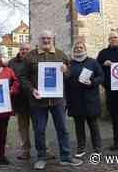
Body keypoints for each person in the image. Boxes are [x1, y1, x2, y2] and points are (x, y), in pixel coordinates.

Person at [25, 30, 83, 170]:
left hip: (57, 100)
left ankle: (66, 157)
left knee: (63, 129)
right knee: (39, 130)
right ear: (39, 39)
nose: (46, 41)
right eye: (43, 38)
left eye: (48, 38)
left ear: (53, 39)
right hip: (38, 101)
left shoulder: (61, 54)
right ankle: (41, 157)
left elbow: (69, 73)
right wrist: (32, 89)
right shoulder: (30, 56)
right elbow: (23, 77)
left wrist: (66, 71)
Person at [8, 43, 55, 160]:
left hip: (36, 99)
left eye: (27, 49)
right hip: (20, 100)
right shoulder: (12, 63)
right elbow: (8, 78)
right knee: (23, 128)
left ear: (31, 50)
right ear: (19, 50)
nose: (25, 51)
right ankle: (25, 151)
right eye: (22, 49)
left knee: (39, 127)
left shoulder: (37, 59)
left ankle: (46, 150)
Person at [65, 40, 104, 157]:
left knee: (93, 125)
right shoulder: (70, 64)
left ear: (85, 49)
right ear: (73, 49)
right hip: (75, 99)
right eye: (76, 47)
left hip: (90, 98)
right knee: (79, 126)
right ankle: (81, 148)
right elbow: (66, 80)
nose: (78, 49)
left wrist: (92, 82)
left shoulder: (93, 62)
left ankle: (97, 148)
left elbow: (101, 76)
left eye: (81, 47)